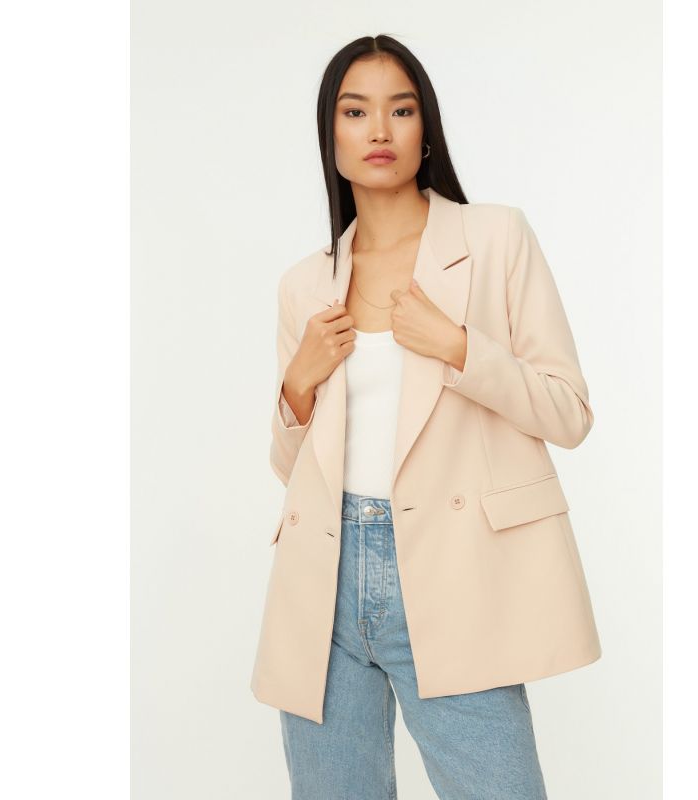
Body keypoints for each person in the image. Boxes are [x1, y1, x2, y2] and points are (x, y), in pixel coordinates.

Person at [250, 34, 601, 800]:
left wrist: (460, 347)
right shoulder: (306, 285)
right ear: (330, 135)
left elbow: (570, 411)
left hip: (454, 570)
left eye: (400, 110)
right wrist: (298, 386)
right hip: (324, 583)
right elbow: (293, 469)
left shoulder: (495, 238)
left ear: (426, 129)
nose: (379, 129)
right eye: (355, 111)